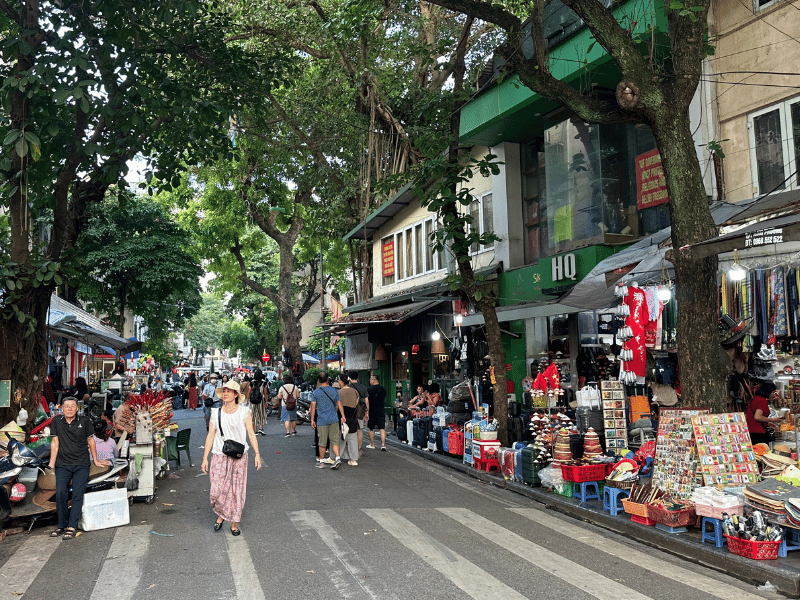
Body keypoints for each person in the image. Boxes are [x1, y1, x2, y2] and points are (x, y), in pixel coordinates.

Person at [201, 379, 261, 536]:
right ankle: (222, 513)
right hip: (219, 456)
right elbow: (210, 436)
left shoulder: (244, 412)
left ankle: (234, 522)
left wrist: (257, 454)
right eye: (224, 391)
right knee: (217, 490)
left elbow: (250, 433)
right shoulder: (216, 413)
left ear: (236, 394)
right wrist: (204, 458)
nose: (225, 393)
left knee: (236, 490)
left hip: (239, 456)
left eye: (229, 391)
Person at [48, 397, 105, 540]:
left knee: (77, 494)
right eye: (67, 406)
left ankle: (72, 526)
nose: (69, 409)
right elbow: (55, 443)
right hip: (63, 464)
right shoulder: (56, 421)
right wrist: (51, 463)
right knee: (61, 492)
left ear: (77, 408)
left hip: (81, 463)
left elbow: (91, 441)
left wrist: (96, 460)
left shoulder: (85, 421)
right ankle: (61, 525)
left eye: (73, 406)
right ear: (62, 409)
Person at [309, 371, 345, 470]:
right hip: (334, 419)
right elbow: (339, 404)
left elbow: (313, 407)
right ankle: (337, 458)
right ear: (328, 379)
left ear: (319, 380)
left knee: (322, 442)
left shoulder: (315, 392)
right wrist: (343, 416)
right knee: (335, 440)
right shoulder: (334, 391)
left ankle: (321, 462)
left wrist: (312, 420)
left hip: (322, 420)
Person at [747, 381, 785, 446]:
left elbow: (753, 418)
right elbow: (757, 417)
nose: (774, 394)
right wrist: (773, 420)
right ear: (768, 391)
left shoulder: (753, 399)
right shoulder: (762, 400)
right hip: (759, 433)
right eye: (773, 392)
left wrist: (768, 423)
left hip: (750, 432)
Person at [337, 373, 360, 466]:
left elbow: (337, 406)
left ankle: (339, 455)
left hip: (342, 416)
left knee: (341, 437)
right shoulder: (355, 391)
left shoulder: (339, 392)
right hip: (353, 416)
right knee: (353, 438)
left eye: (339, 380)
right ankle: (354, 459)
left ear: (342, 382)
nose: (338, 382)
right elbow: (357, 402)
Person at [348, 371, 369, 453]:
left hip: (350, 411)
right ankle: (359, 447)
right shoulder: (363, 387)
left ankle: (351, 447)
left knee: (350, 430)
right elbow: (367, 401)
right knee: (360, 429)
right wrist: (367, 412)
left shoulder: (348, 387)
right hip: (360, 411)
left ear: (349, 378)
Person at [366, 375, 387, 451]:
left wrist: (367, 411)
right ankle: (383, 444)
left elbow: (367, 401)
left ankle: (372, 444)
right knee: (382, 428)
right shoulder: (383, 388)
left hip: (372, 410)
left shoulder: (368, 389)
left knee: (371, 428)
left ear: (373, 380)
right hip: (381, 409)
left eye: (370, 379)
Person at [277, 372, 300, 437]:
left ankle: (287, 432)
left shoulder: (282, 387)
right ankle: (293, 431)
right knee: (293, 418)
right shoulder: (295, 387)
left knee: (286, 419)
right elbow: (298, 396)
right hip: (293, 404)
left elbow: (279, 397)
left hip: (285, 405)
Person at [251, 369, 268, 435]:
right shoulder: (263, 383)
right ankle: (261, 428)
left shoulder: (251, 383)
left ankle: (255, 430)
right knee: (261, 414)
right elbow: (265, 393)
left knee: (254, 415)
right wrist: (266, 401)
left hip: (253, 401)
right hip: (261, 400)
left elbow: (249, 391)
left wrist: (247, 400)